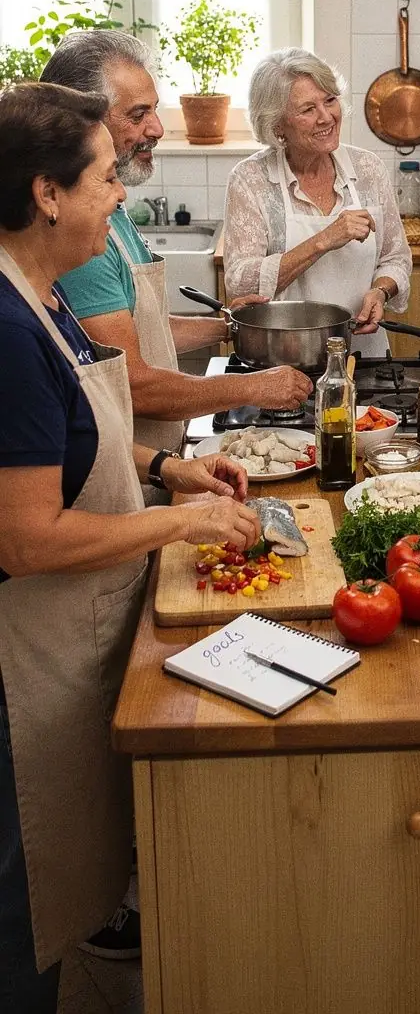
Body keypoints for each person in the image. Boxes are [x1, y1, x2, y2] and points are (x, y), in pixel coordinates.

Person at [0, 82, 261, 1014]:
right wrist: (180, 521)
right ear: (47, 194)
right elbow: (27, 539)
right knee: (21, 915)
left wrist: (165, 467)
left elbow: (80, 433)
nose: (119, 196)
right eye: (107, 177)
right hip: (21, 656)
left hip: (71, 630)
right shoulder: (3, 327)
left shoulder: (37, 296)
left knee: (56, 898)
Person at [40, 33, 313, 461]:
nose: (158, 128)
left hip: (151, 463)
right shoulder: (79, 242)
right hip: (123, 471)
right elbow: (133, 382)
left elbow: (143, 329)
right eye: (138, 114)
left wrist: (233, 327)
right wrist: (253, 386)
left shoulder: (114, 214)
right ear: (84, 120)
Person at [224, 48, 412, 356]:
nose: (326, 117)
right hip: (284, 359)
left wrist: (380, 292)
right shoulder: (250, 179)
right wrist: (324, 239)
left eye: (330, 100)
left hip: (363, 356)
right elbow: (241, 283)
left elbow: (397, 258)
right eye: (307, 109)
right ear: (277, 125)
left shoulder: (368, 169)